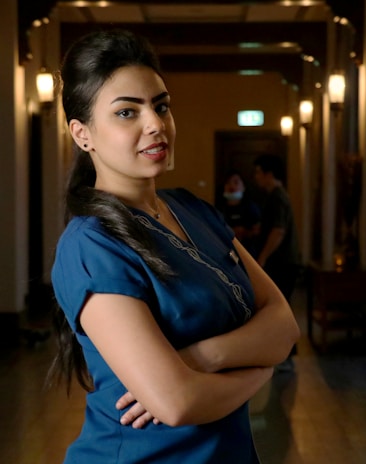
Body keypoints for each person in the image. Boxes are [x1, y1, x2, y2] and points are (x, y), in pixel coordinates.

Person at [48, 29, 300, 463]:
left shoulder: (194, 211)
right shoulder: (91, 245)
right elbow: (178, 403)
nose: (155, 125)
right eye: (127, 112)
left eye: (161, 106)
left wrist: (203, 357)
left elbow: (284, 325)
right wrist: (260, 369)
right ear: (82, 133)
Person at [253, 154, 301, 372]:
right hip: (283, 261)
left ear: (268, 174)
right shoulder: (274, 196)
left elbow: (278, 231)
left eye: (258, 173)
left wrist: (263, 256)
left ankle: (286, 356)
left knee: (280, 308)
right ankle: (285, 354)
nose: (256, 178)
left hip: (283, 261)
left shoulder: (278, 197)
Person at [216, 170, 261, 256]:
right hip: (225, 251)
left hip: (248, 252)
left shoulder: (251, 208)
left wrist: (244, 232)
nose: (232, 186)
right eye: (228, 183)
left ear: (243, 187)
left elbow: (258, 231)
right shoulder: (219, 209)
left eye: (236, 182)